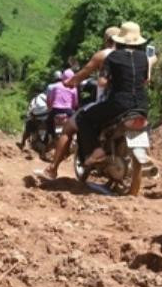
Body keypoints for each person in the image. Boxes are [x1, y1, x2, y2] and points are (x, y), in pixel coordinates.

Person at [42, 21, 150, 179]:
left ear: (111, 40)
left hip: (118, 104)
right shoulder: (144, 58)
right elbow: (145, 81)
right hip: (142, 105)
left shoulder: (110, 56)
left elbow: (101, 82)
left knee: (83, 118)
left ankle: (93, 152)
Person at [18, 71, 61, 150]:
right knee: (50, 128)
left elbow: (30, 110)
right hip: (51, 115)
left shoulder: (40, 95)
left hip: (38, 116)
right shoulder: (63, 87)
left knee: (29, 125)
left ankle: (22, 143)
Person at [45, 67, 79, 136]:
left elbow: (51, 99)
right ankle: (74, 138)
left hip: (55, 110)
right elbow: (75, 102)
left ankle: (51, 137)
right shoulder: (74, 88)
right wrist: (72, 107)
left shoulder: (56, 86)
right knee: (75, 123)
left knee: (48, 122)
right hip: (68, 111)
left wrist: (50, 108)